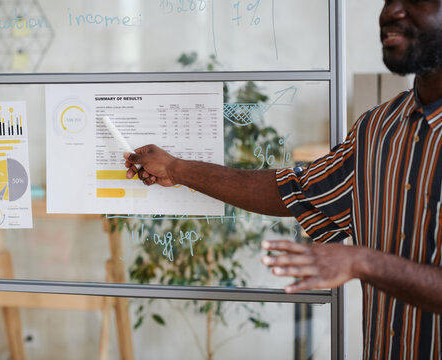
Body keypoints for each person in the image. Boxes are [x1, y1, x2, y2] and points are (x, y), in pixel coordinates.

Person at [123, 0, 442, 358]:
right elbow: (293, 191)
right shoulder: (379, 128)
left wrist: (363, 262)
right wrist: (176, 168)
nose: (392, 11)